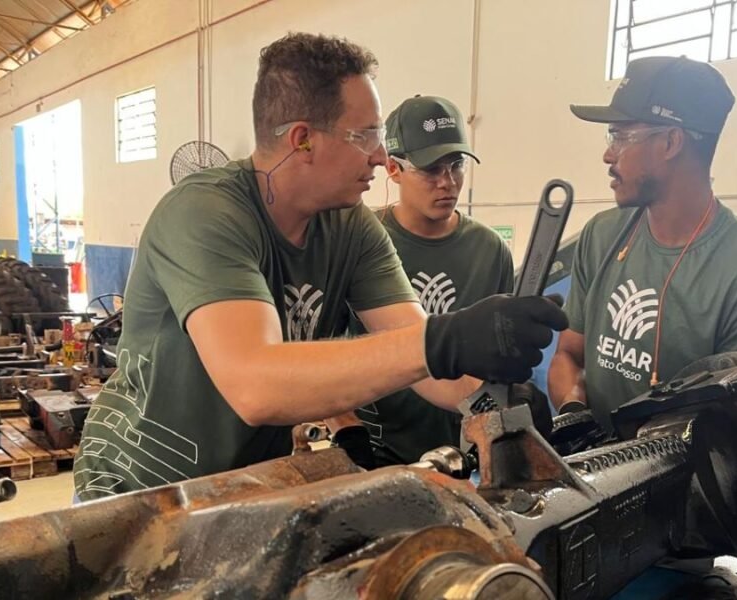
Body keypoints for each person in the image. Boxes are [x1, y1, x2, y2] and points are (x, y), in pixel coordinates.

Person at [72, 33, 566, 500]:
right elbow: (255, 385)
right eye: (366, 135)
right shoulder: (203, 213)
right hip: (136, 489)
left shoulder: (351, 226)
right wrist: (445, 340)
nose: (380, 156)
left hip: (239, 488)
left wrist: (493, 399)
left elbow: (418, 355)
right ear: (303, 140)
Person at [548, 56, 737, 434]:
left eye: (621, 136)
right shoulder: (601, 235)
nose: (608, 154)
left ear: (670, 142)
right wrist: (575, 417)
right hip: (590, 465)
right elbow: (569, 354)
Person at [345, 95, 516, 466]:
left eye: (456, 166)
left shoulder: (490, 251)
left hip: (464, 454)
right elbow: (323, 350)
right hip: (378, 453)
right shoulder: (358, 240)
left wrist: (505, 406)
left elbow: (497, 355)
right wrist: (346, 429)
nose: (447, 183)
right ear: (393, 168)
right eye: (431, 169)